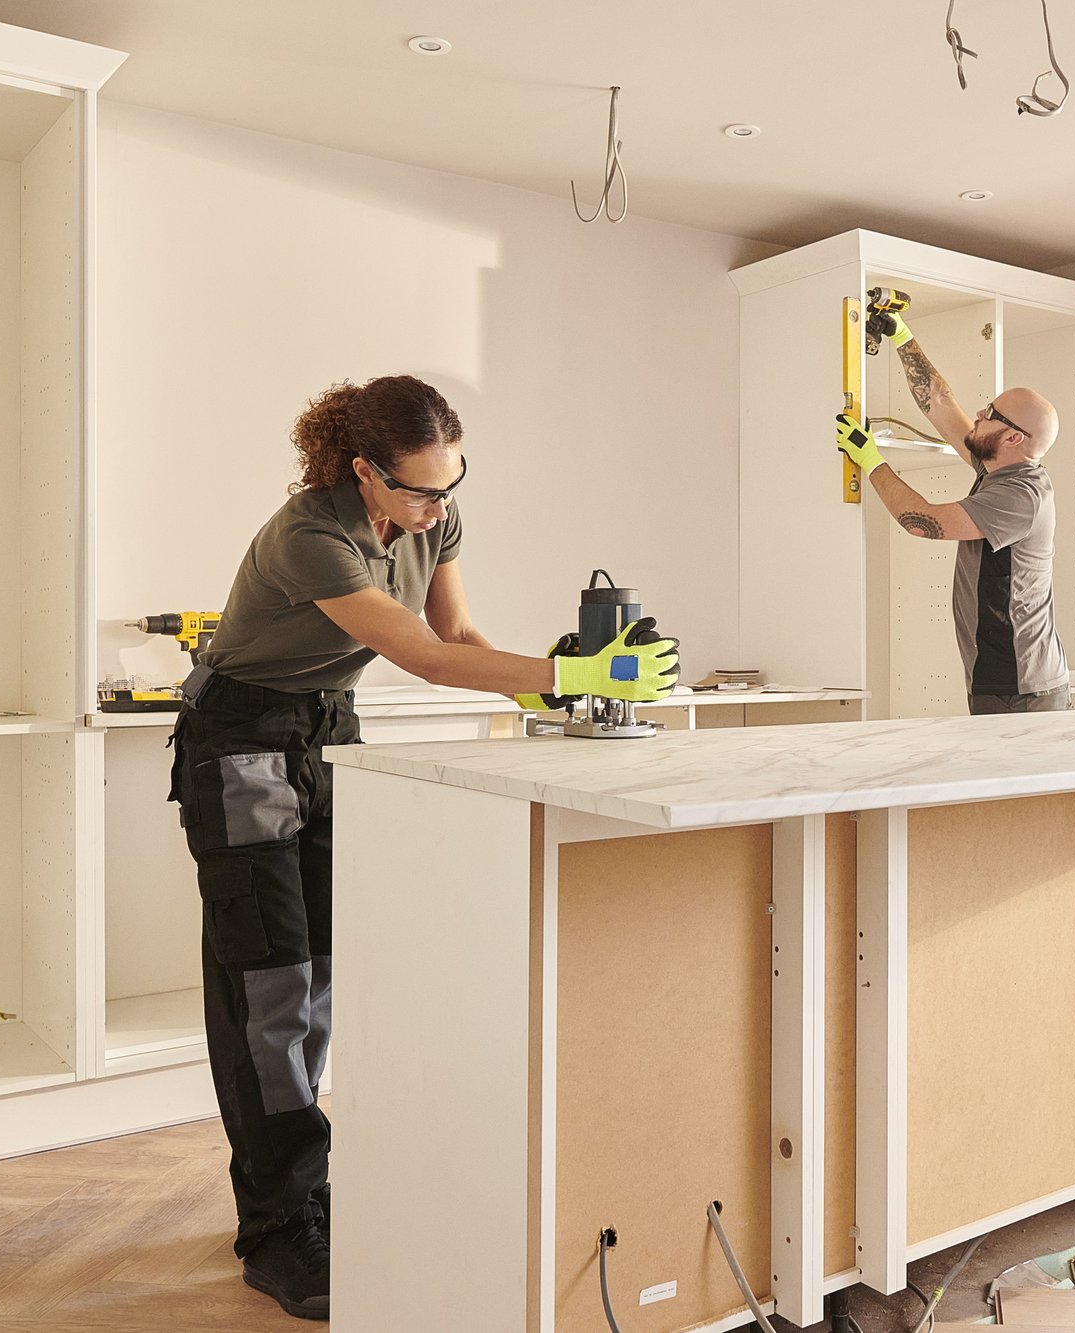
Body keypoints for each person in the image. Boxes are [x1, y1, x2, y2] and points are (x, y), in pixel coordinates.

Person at [169, 374, 677, 1320]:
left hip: (327, 731)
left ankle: (303, 1189)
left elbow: (463, 632)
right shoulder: (308, 535)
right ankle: (275, 1230)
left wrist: (553, 688)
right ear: (363, 470)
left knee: (320, 971)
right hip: (239, 739)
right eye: (418, 488)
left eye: (451, 484)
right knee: (264, 983)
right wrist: (573, 670)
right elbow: (425, 657)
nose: (438, 506)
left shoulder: (434, 522)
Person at [833, 313, 1072, 715]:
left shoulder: (1020, 495)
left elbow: (921, 521)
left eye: (991, 414)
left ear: (1013, 437)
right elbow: (942, 404)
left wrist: (870, 458)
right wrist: (901, 335)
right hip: (1002, 679)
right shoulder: (997, 468)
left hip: (1021, 687)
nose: (979, 414)